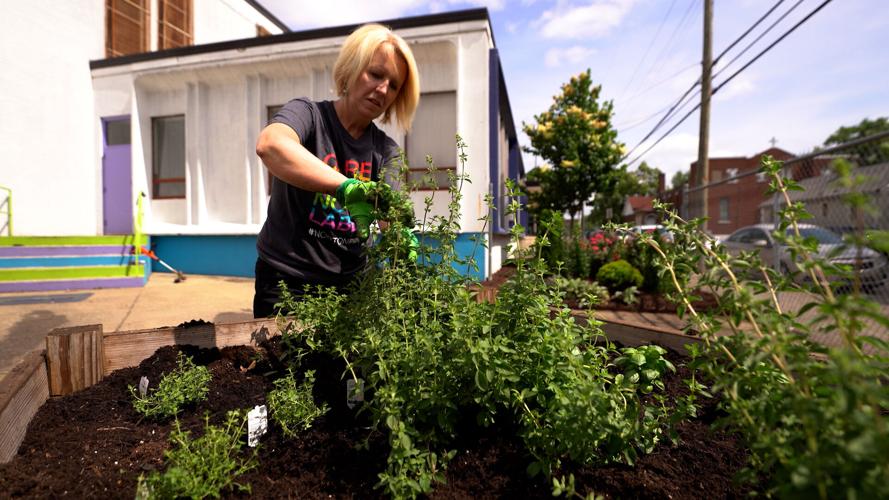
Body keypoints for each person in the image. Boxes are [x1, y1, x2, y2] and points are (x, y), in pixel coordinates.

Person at [253, 24, 420, 318]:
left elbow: (391, 213)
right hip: (287, 282)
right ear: (351, 68)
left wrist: (401, 236)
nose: (383, 89)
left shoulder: (386, 151)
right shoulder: (309, 115)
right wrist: (345, 187)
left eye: (394, 85)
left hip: (353, 290)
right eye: (375, 74)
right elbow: (270, 145)